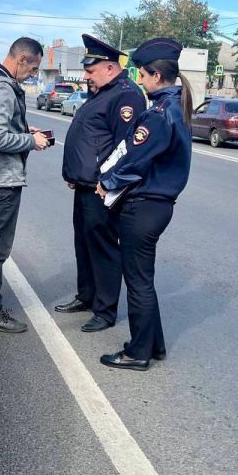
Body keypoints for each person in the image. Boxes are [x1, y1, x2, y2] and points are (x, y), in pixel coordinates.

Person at [95, 37, 192, 371]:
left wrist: (105, 183)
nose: (138, 80)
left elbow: (135, 161)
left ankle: (137, 353)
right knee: (143, 278)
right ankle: (154, 345)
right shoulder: (172, 109)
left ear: (154, 75)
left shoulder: (159, 115)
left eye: (140, 74)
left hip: (144, 207)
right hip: (156, 207)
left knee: (137, 281)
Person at [55, 34, 146, 333]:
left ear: (109, 67)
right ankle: (86, 296)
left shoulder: (126, 95)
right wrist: (76, 175)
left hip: (102, 189)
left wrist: (107, 183)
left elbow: (125, 148)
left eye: (90, 70)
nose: (86, 75)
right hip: (85, 185)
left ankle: (105, 310)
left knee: (103, 248)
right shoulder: (102, 91)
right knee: (83, 243)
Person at [0, 37, 51, 333]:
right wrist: (31, 141)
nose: (33, 74)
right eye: (33, 68)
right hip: (4, 177)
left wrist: (22, 128)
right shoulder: (3, 89)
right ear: (20, 60)